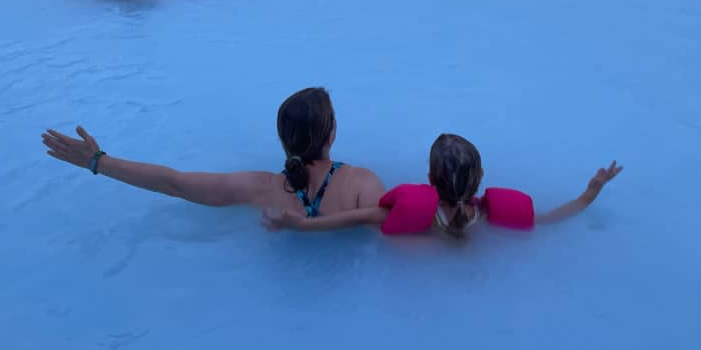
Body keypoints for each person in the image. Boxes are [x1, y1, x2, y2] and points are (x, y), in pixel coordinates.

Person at [41, 87, 385, 219]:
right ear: (333, 132)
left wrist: (98, 161)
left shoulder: (259, 188)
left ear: (282, 139)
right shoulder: (361, 185)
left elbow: (172, 183)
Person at [264, 133, 622, 238]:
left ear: (430, 180)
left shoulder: (411, 212)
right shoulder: (490, 215)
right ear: (480, 180)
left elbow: (353, 219)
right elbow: (553, 218)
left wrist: (302, 223)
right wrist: (589, 193)